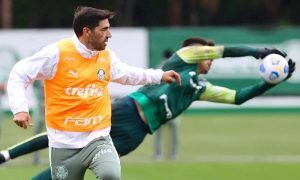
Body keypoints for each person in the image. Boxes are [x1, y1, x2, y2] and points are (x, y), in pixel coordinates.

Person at [1, 37, 295, 180]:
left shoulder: (199, 89)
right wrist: (258, 51)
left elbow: (238, 97)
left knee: (77, 166)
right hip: (128, 109)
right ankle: (7, 154)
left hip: (138, 133)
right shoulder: (185, 56)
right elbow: (224, 51)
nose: (211, 61)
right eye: (208, 56)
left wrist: (272, 82)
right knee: (65, 137)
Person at [6, 6, 181, 180]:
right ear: (86, 31)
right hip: (63, 144)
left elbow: (127, 74)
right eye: (104, 29)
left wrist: (159, 75)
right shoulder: (57, 53)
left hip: (98, 138)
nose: (110, 34)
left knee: (110, 175)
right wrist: (20, 108)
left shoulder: (105, 55)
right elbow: (20, 73)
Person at [153, 49, 180, 161]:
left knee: (159, 133)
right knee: (173, 132)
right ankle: (173, 154)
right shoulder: (176, 69)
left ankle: (158, 154)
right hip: (172, 106)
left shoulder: (159, 69)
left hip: (160, 105)